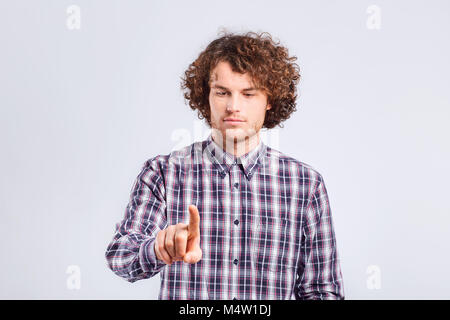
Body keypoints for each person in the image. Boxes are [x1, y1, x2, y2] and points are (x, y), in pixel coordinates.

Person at [105, 30, 345, 300]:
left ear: (269, 101)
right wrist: (160, 249)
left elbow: (323, 291)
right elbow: (121, 256)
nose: (233, 106)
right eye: (222, 92)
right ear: (206, 97)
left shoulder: (305, 184)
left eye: (248, 94)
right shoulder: (163, 173)